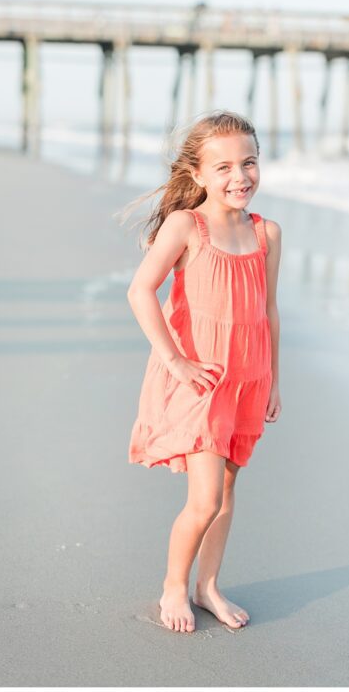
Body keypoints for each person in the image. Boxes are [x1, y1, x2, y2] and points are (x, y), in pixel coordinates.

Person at [126, 111, 283, 631]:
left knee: (229, 492)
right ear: (197, 175)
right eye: (224, 167)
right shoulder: (186, 226)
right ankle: (174, 586)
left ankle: (208, 585)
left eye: (249, 163)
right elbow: (140, 291)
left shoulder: (267, 234)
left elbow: (269, 311)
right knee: (205, 498)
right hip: (201, 379)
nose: (240, 177)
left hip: (249, 378)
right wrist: (174, 360)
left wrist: (273, 381)